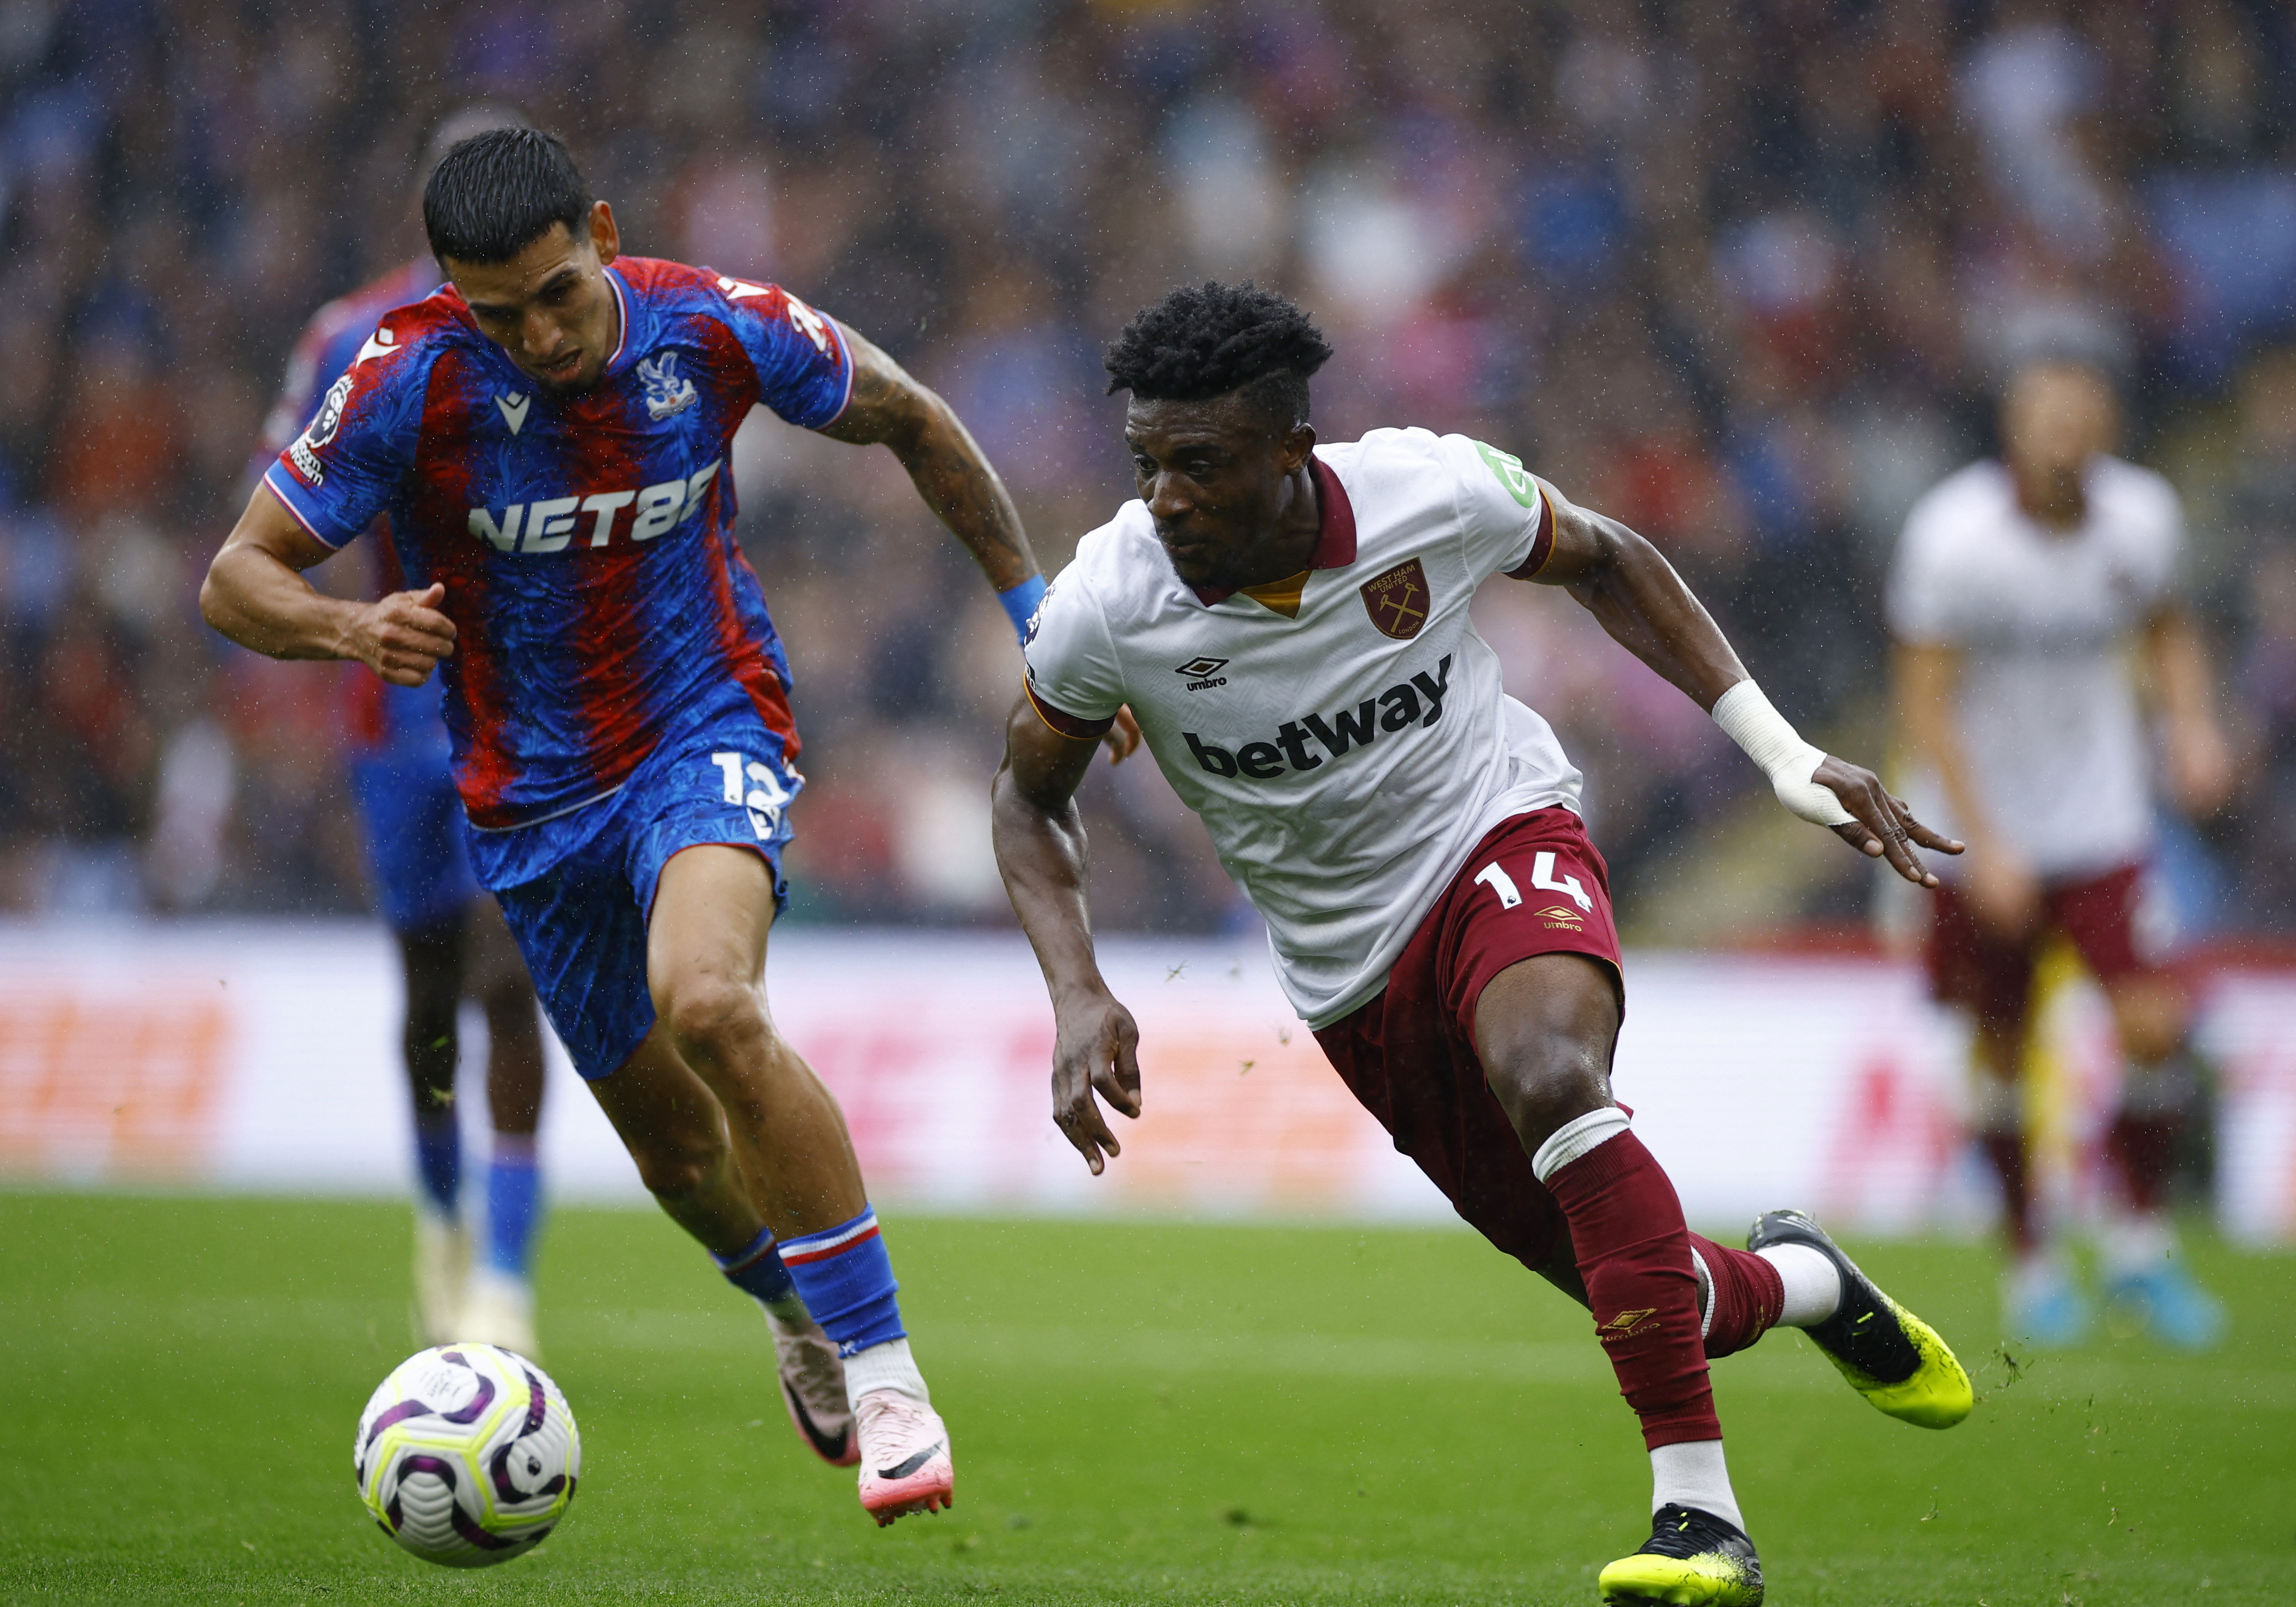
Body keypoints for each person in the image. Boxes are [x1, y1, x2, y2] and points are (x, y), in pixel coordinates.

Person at [992, 282, 1972, 1607]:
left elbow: (1609, 555)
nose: (1163, 496)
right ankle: (1808, 1281)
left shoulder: (1424, 492)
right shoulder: (1106, 605)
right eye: (1146, 463)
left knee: (1553, 1073)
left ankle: (1699, 1522)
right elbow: (1026, 797)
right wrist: (1075, 989)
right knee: (1652, 1297)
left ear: (1292, 451)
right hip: (1349, 977)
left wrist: (1780, 753)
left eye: (1198, 464)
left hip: (1496, 836)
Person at [202, 128, 1110, 1525]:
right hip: (530, 801)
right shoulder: (407, 373)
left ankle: (884, 1377)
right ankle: (786, 1302)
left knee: (709, 1002)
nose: (537, 335)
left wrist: (1033, 615)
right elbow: (235, 576)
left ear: (604, 233)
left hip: (705, 725)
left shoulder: (715, 327)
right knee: (676, 1157)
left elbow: (915, 417)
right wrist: (344, 622)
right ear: (450, 292)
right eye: (495, 311)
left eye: (556, 294)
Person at [253, 105, 549, 1360]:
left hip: (533, 707)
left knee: (506, 979)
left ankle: (505, 1275)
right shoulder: (349, 339)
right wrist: (350, 617)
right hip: (395, 713)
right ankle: (439, 1216)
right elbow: (268, 516)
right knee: (431, 994)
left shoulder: (561, 325)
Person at [1889, 355, 2233, 1350]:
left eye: (2080, 420)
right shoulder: (1953, 541)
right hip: (1977, 836)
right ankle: (2030, 1262)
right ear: (2012, 429)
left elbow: (2166, 630)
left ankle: (2135, 1244)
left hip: (2099, 825)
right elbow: (1923, 704)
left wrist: (2192, 724)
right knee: (2002, 1045)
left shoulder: (2141, 520)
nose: (2063, 441)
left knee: (2155, 1025)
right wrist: (1986, 845)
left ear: (2106, 425)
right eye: (2045, 421)